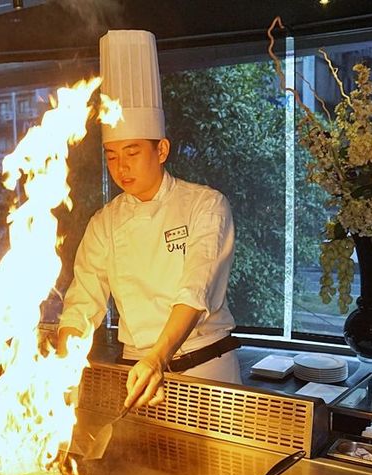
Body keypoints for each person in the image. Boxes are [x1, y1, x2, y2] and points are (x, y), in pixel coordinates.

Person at [58, 30, 240, 409]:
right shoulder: (105, 222)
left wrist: (158, 358)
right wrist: (62, 365)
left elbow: (196, 289)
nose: (121, 167)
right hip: (137, 372)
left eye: (132, 153)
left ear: (161, 150)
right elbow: (82, 303)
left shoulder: (205, 205)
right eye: (111, 156)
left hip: (205, 368)